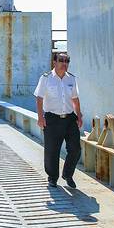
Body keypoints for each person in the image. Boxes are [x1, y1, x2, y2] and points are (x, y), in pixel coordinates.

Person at [34, 52, 83, 189]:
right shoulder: (46, 78)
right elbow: (39, 98)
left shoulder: (71, 79)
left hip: (70, 119)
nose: (64, 63)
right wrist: (40, 117)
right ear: (54, 62)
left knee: (76, 149)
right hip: (52, 119)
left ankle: (68, 174)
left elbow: (75, 99)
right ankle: (52, 178)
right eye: (61, 60)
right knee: (52, 150)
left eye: (67, 61)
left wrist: (79, 116)